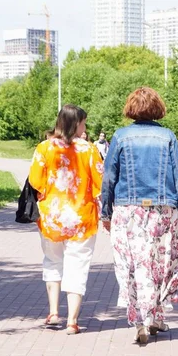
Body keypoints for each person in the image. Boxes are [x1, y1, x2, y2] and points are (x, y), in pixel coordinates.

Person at [101, 87, 178, 344]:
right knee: (160, 265)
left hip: (127, 212)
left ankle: (142, 319)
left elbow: (108, 178)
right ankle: (154, 316)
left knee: (131, 265)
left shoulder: (120, 137)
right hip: (163, 212)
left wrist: (105, 212)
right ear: (157, 108)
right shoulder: (167, 137)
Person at [29, 104, 104, 335]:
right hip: (82, 218)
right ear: (77, 123)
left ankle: (53, 312)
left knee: (52, 261)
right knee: (77, 266)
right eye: (83, 122)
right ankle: (72, 320)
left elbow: (35, 181)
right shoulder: (89, 150)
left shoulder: (44, 148)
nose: (85, 127)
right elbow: (100, 182)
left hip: (52, 218)